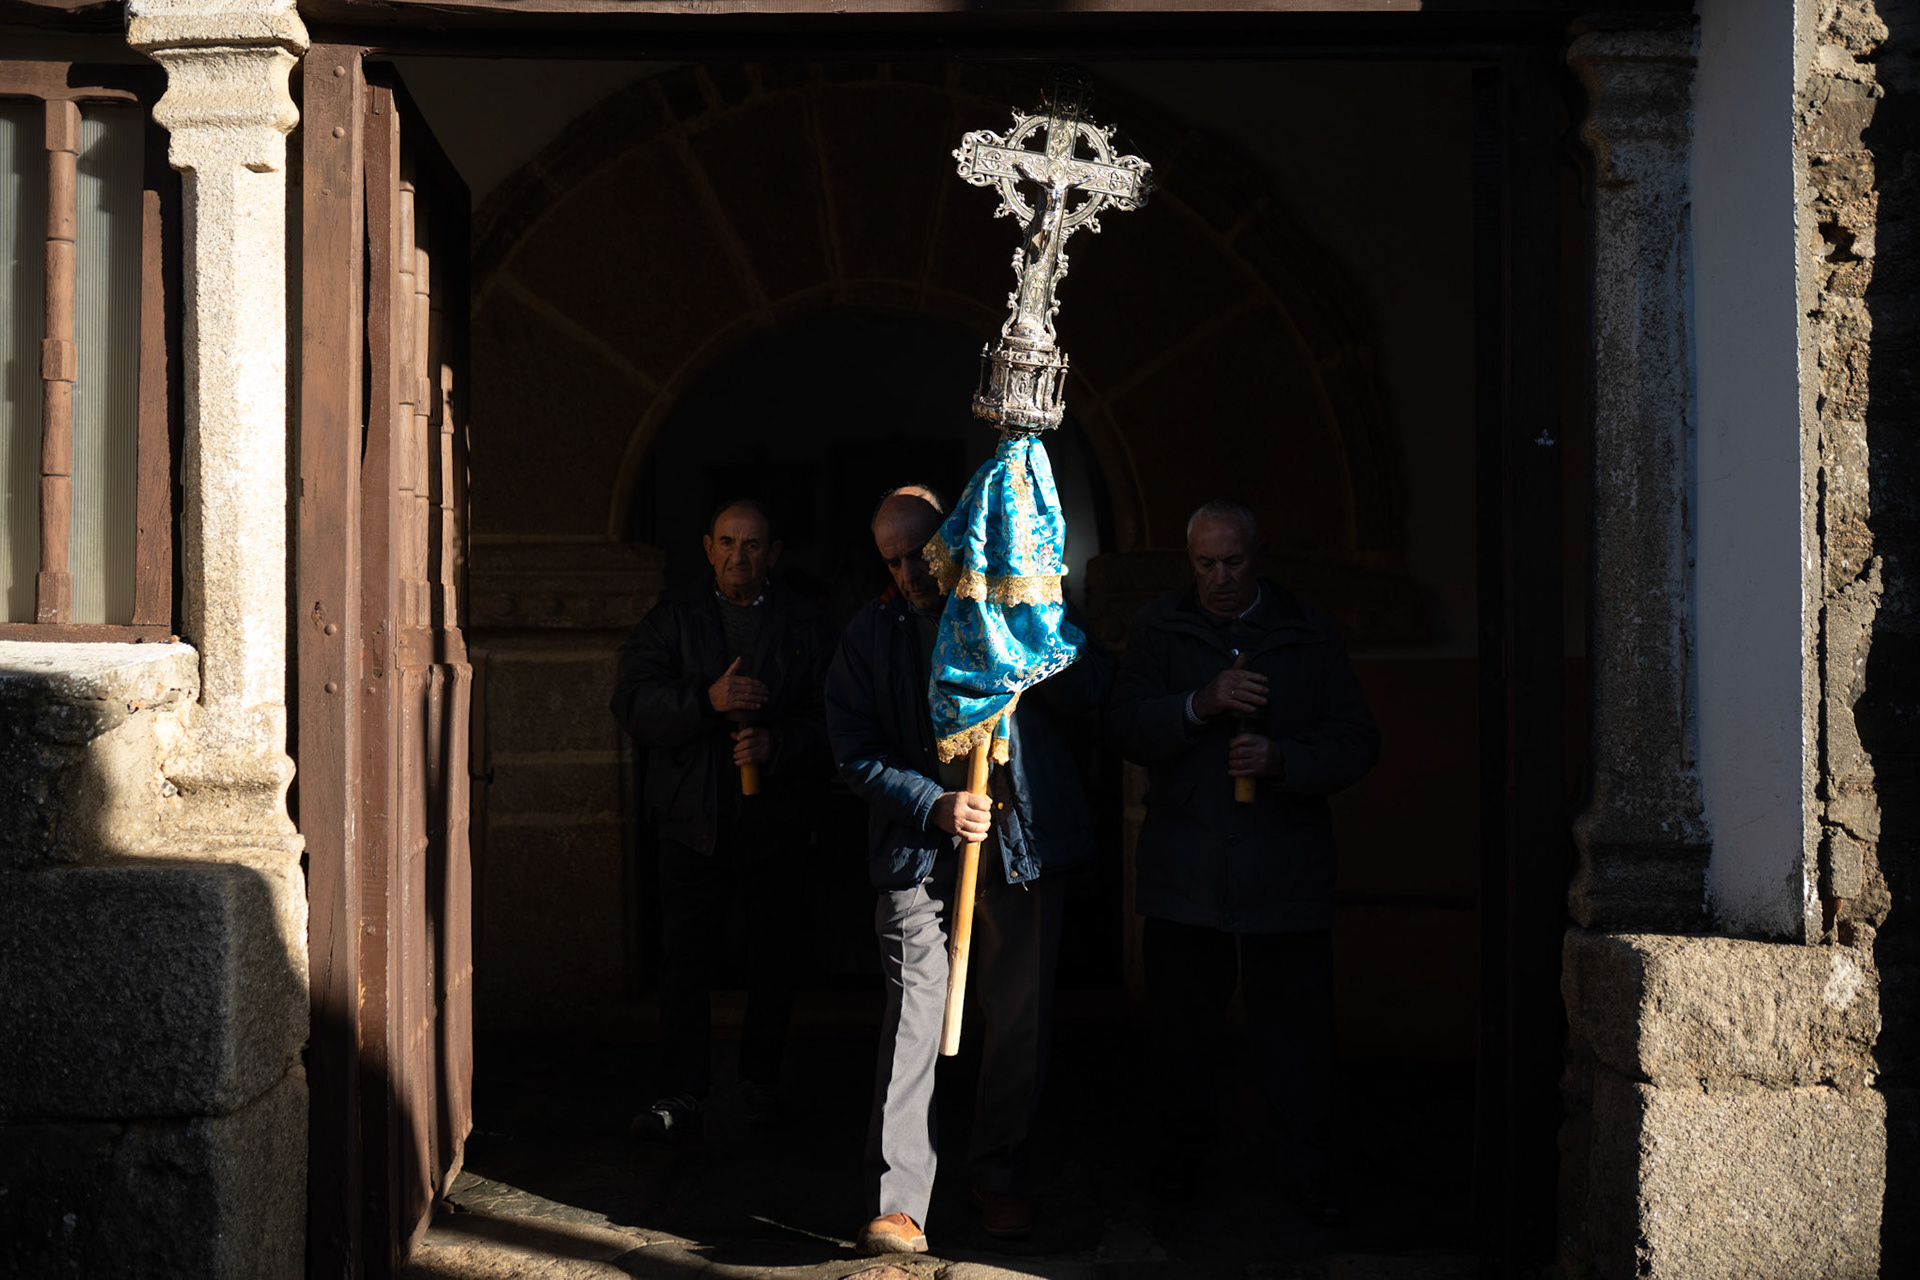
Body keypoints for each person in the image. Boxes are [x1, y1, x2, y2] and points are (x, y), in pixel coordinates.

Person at [825, 485, 1110, 1256]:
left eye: (919, 554)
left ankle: (1000, 1174)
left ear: (953, 537)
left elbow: (1095, 691)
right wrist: (933, 803)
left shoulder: (1016, 602)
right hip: (918, 852)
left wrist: (1035, 636)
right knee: (914, 1018)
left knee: (1019, 1018)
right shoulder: (872, 634)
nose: (909, 573)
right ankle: (898, 1203)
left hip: (1019, 846)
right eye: (891, 561)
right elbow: (853, 749)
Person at [1106, 497, 1378, 1224]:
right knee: (1180, 1032)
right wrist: (1199, 703)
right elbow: (1124, 725)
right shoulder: (1158, 627)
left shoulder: (1307, 630)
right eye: (1204, 564)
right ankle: (1178, 1164)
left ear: (1260, 556)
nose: (1218, 578)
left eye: (1232, 562)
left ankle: (1304, 1169)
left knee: (1296, 1035)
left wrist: (1283, 758)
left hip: (1284, 872)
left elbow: (1357, 741)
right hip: (1185, 871)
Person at [610, 497, 830, 1141]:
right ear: (708, 549)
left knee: (774, 955)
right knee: (685, 957)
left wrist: (777, 744)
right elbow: (632, 704)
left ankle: (760, 1081)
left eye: (753, 544)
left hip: (775, 820)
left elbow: (838, 718)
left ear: (774, 553)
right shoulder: (672, 621)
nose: (740, 555)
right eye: (728, 543)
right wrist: (705, 699)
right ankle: (681, 1092)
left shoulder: (806, 624)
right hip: (691, 820)